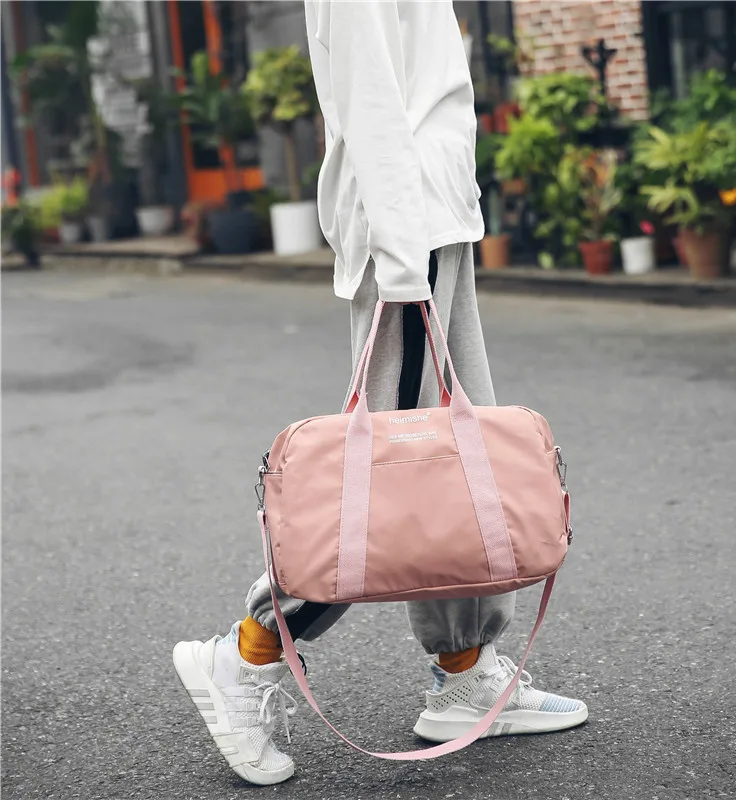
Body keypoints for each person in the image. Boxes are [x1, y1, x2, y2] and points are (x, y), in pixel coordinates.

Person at [172, 0, 588, 786]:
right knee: (384, 485)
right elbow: (369, 94)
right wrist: (402, 261)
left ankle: (464, 669)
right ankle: (248, 654)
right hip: (411, 234)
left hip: (435, 221)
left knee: (452, 472)